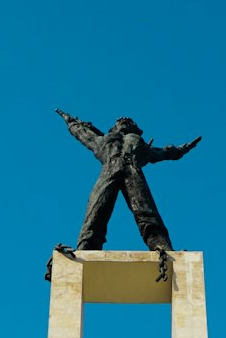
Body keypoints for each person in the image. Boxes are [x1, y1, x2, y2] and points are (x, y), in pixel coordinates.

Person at [55, 108, 201, 262]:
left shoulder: (142, 145)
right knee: (96, 210)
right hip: (108, 170)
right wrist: (69, 119)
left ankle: (162, 246)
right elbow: (81, 132)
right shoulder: (102, 139)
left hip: (133, 171)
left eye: (129, 121)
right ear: (113, 128)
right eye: (119, 122)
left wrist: (182, 149)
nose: (123, 121)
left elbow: (164, 152)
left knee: (146, 211)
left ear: (136, 129)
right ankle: (85, 248)